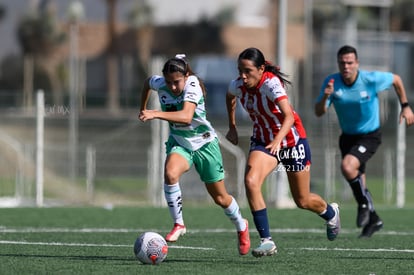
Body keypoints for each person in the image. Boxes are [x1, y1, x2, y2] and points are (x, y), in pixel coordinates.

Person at [225, 47, 340, 258]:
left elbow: (288, 116)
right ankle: (266, 241)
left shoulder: (270, 84)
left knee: (302, 200)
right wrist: (232, 126)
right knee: (251, 181)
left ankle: (331, 213)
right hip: (263, 142)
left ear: (260, 69)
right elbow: (230, 96)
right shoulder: (238, 85)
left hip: (291, 142)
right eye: (240, 70)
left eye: (248, 70)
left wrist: (278, 140)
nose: (242, 75)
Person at [139, 54, 250, 255]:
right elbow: (147, 83)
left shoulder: (192, 85)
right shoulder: (160, 83)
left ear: (187, 75)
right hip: (181, 144)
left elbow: (185, 117)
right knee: (170, 173)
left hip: (205, 145)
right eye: (169, 82)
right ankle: (179, 224)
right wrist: (142, 107)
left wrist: (154, 113)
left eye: (176, 82)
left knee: (220, 197)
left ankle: (241, 225)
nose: (172, 87)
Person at [315, 45, 414, 238]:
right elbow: (319, 112)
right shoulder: (332, 82)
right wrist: (326, 95)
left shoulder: (370, 79)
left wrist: (406, 106)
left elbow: (396, 79)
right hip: (347, 137)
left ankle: (363, 205)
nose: (346, 66)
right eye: (342, 63)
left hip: (370, 135)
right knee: (357, 179)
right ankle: (374, 219)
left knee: (347, 167)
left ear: (357, 63)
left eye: (350, 62)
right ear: (338, 63)